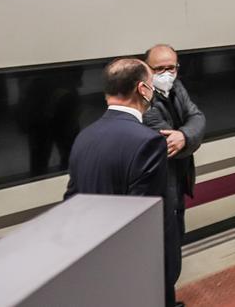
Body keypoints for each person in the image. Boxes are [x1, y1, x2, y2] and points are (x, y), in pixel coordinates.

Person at [65, 58, 169, 305]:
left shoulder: (85, 135)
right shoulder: (148, 141)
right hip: (129, 266)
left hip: (92, 257)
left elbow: (71, 199)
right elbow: (144, 216)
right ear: (142, 89)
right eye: (152, 84)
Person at [143, 45, 206, 307]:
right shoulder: (145, 102)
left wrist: (185, 135)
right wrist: (186, 136)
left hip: (177, 184)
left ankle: (166, 298)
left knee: (174, 241)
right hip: (160, 188)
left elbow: (197, 117)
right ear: (147, 70)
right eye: (159, 69)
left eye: (172, 67)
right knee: (162, 253)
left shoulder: (176, 88)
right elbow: (168, 145)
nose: (167, 73)